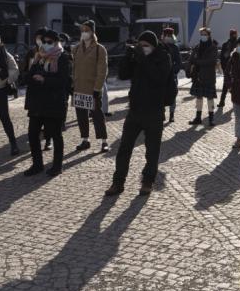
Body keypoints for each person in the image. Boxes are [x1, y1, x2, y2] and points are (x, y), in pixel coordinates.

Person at [106, 31, 172, 196]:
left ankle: (147, 181)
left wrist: (143, 60)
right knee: (124, 149)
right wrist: (128, 58)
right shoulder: (137, 57)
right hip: (135, 111)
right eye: (140, 45)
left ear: (153, 46)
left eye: (146, 45)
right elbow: (123, 75)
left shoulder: (163, 57)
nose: (142, 48)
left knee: (152, 151)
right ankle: (118, 182)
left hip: (154, 111)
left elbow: (159, 78)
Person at [23, 30, 71, 177]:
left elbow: (64, 81)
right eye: (44, 42)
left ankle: (57, 166)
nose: (46, 45)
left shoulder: (63, 57)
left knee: (55, 135)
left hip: (54, 103)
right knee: (32, 134)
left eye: (49, 42)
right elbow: (27, 77)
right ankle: (37, 164)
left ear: (57, 42)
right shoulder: (39, 57)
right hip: (37, 103)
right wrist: (33, 71)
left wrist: (44, 79)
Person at [72, 20, 109, 153]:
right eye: (82, 30)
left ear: (92, 32)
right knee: (81, 116)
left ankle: (104, 141)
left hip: (92, 88)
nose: (84, 33)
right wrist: (72, 84)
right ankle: (85, 140)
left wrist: (97, 88)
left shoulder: (100, 49)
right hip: (79, 87)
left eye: (86, 30)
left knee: (97, 115)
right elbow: (73, 68)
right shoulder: (76, 48)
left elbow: (102, 70)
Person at [189, 28, 219, 126]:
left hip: (209, 76)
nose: (203, 36)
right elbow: (192, 58)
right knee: (199, 97)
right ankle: (198, 118)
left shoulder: (213, 47)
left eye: (205, 34)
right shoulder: (197, 47)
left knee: (210, 98)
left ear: (209, 35)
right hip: (198, 76)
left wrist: (197, 62)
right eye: (202, 34)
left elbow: (211, 61)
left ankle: (211, 118)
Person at [161, 28, 182, 123]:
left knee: (172, 94)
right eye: (166, 35)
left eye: (169, 36)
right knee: (161, 95)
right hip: (161, 75)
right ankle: (162, 113)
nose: (168, 37)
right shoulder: (160, 46)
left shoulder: (175, 47)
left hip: (172, 75)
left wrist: (173, 71)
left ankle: (172, 114)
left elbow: (178, 62)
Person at [217, 29, 238, 108]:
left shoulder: (238, 44)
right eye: (233, 34)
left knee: (234, 87)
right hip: (227, 68)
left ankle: (235, 102)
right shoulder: (226, 44)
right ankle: (222, 102)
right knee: (225, 86)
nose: (234, 35)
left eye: (235, 34)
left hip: (235, 69)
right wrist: (224, 67)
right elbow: (222, 57)